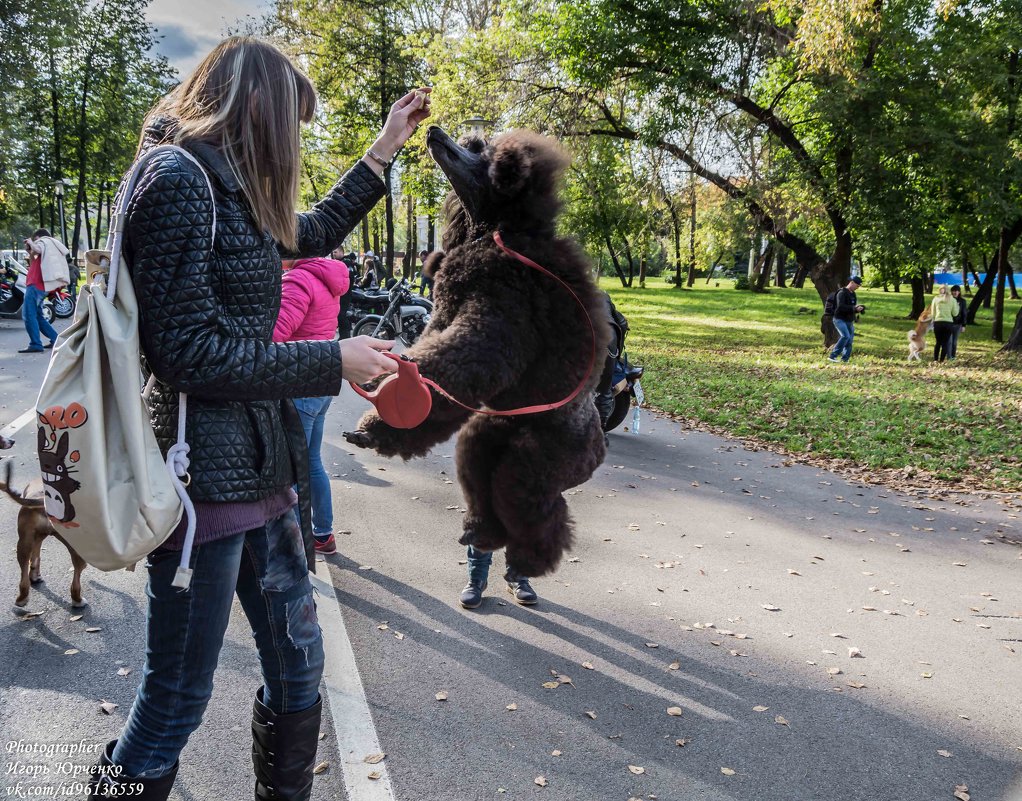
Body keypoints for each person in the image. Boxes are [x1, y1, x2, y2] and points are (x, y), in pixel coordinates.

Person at [87, 36, 430, 800]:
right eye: (292, 120)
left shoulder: (232, 183)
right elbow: (186, 353)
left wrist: (382, 151)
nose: (296, 139)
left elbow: (309, 230)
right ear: (254, 106)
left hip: (262, 473)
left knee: (300, 671)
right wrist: (330, 360)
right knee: (174, 700)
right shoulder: (177, 179)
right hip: (199, 482)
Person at [273, 256, 351, 556]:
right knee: (311, 461)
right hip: (320, 381)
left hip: (299, 382)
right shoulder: (327, 276)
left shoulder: (297, 280)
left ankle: (297, 542)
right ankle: (322, 534)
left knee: (293, 467)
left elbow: (275, 335)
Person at [19, 228, 68, 353]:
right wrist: (30, 250)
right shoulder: (48, 250)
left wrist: (31, 242)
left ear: (38, 238)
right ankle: (55, 339)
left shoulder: (44, 241)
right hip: (40, 286)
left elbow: (38, 248)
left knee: (28, 315)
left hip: (35, 285)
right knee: (38, 316)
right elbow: (34, 257)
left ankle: (35, 344)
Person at [827, 275, 864, 363]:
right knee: (845, 336)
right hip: (839, 319)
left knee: (850, 340)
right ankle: (833, 356)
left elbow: (851, 307)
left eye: (859, 286)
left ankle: (845, 359)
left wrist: (858, 309)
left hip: (849, 320)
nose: (857, 288)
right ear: (851, 282)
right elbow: (840, 307)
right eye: (857, 285)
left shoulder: (853, 294)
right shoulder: (842, 293)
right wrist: (854, 308)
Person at [929, 283, 957, 363]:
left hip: (938, 322)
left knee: (938, 342)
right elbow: (955, 313)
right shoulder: (952, 300)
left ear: (940, 290)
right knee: (945, 342)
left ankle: (935, 359)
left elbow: (933, 312)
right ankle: (941, 360)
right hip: (948, 323)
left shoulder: (935, 299)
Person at [949, 284, 967, 359]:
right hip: (948, 323)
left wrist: (963, 325)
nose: (955, 292)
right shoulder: (948, 300)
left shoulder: (962, 301)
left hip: (958, 324)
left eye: (957, 291)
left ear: (959, 292)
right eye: (953, 291)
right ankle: (948, 356)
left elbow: (964, 313)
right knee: (948, 341)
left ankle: (953, 356)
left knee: (954, 342)